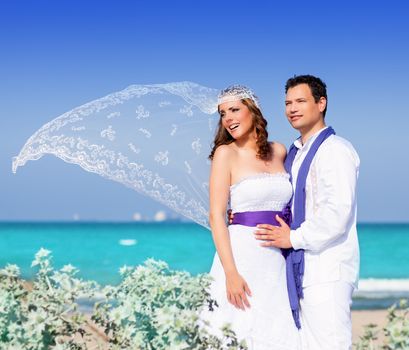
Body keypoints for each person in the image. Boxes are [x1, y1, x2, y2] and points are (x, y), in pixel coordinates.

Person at [253, 75, 360, 349]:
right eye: (288, 103)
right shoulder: (296, 153)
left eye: (301, 101)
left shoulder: (334, 150)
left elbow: (338, 214)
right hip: (301, 270)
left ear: (321, 103)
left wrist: (293, 239)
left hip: (326, 270)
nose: (292, 108)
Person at [201, 85, 301, 349]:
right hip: (242, 256)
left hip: (276, 258)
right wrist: (230, 273)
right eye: (223, 114)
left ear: (253, 111)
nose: (228, 119)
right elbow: (216, 216)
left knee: (276, 329)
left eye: (234, 110)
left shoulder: (279, 150)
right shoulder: (226, 154)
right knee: (237, 328)